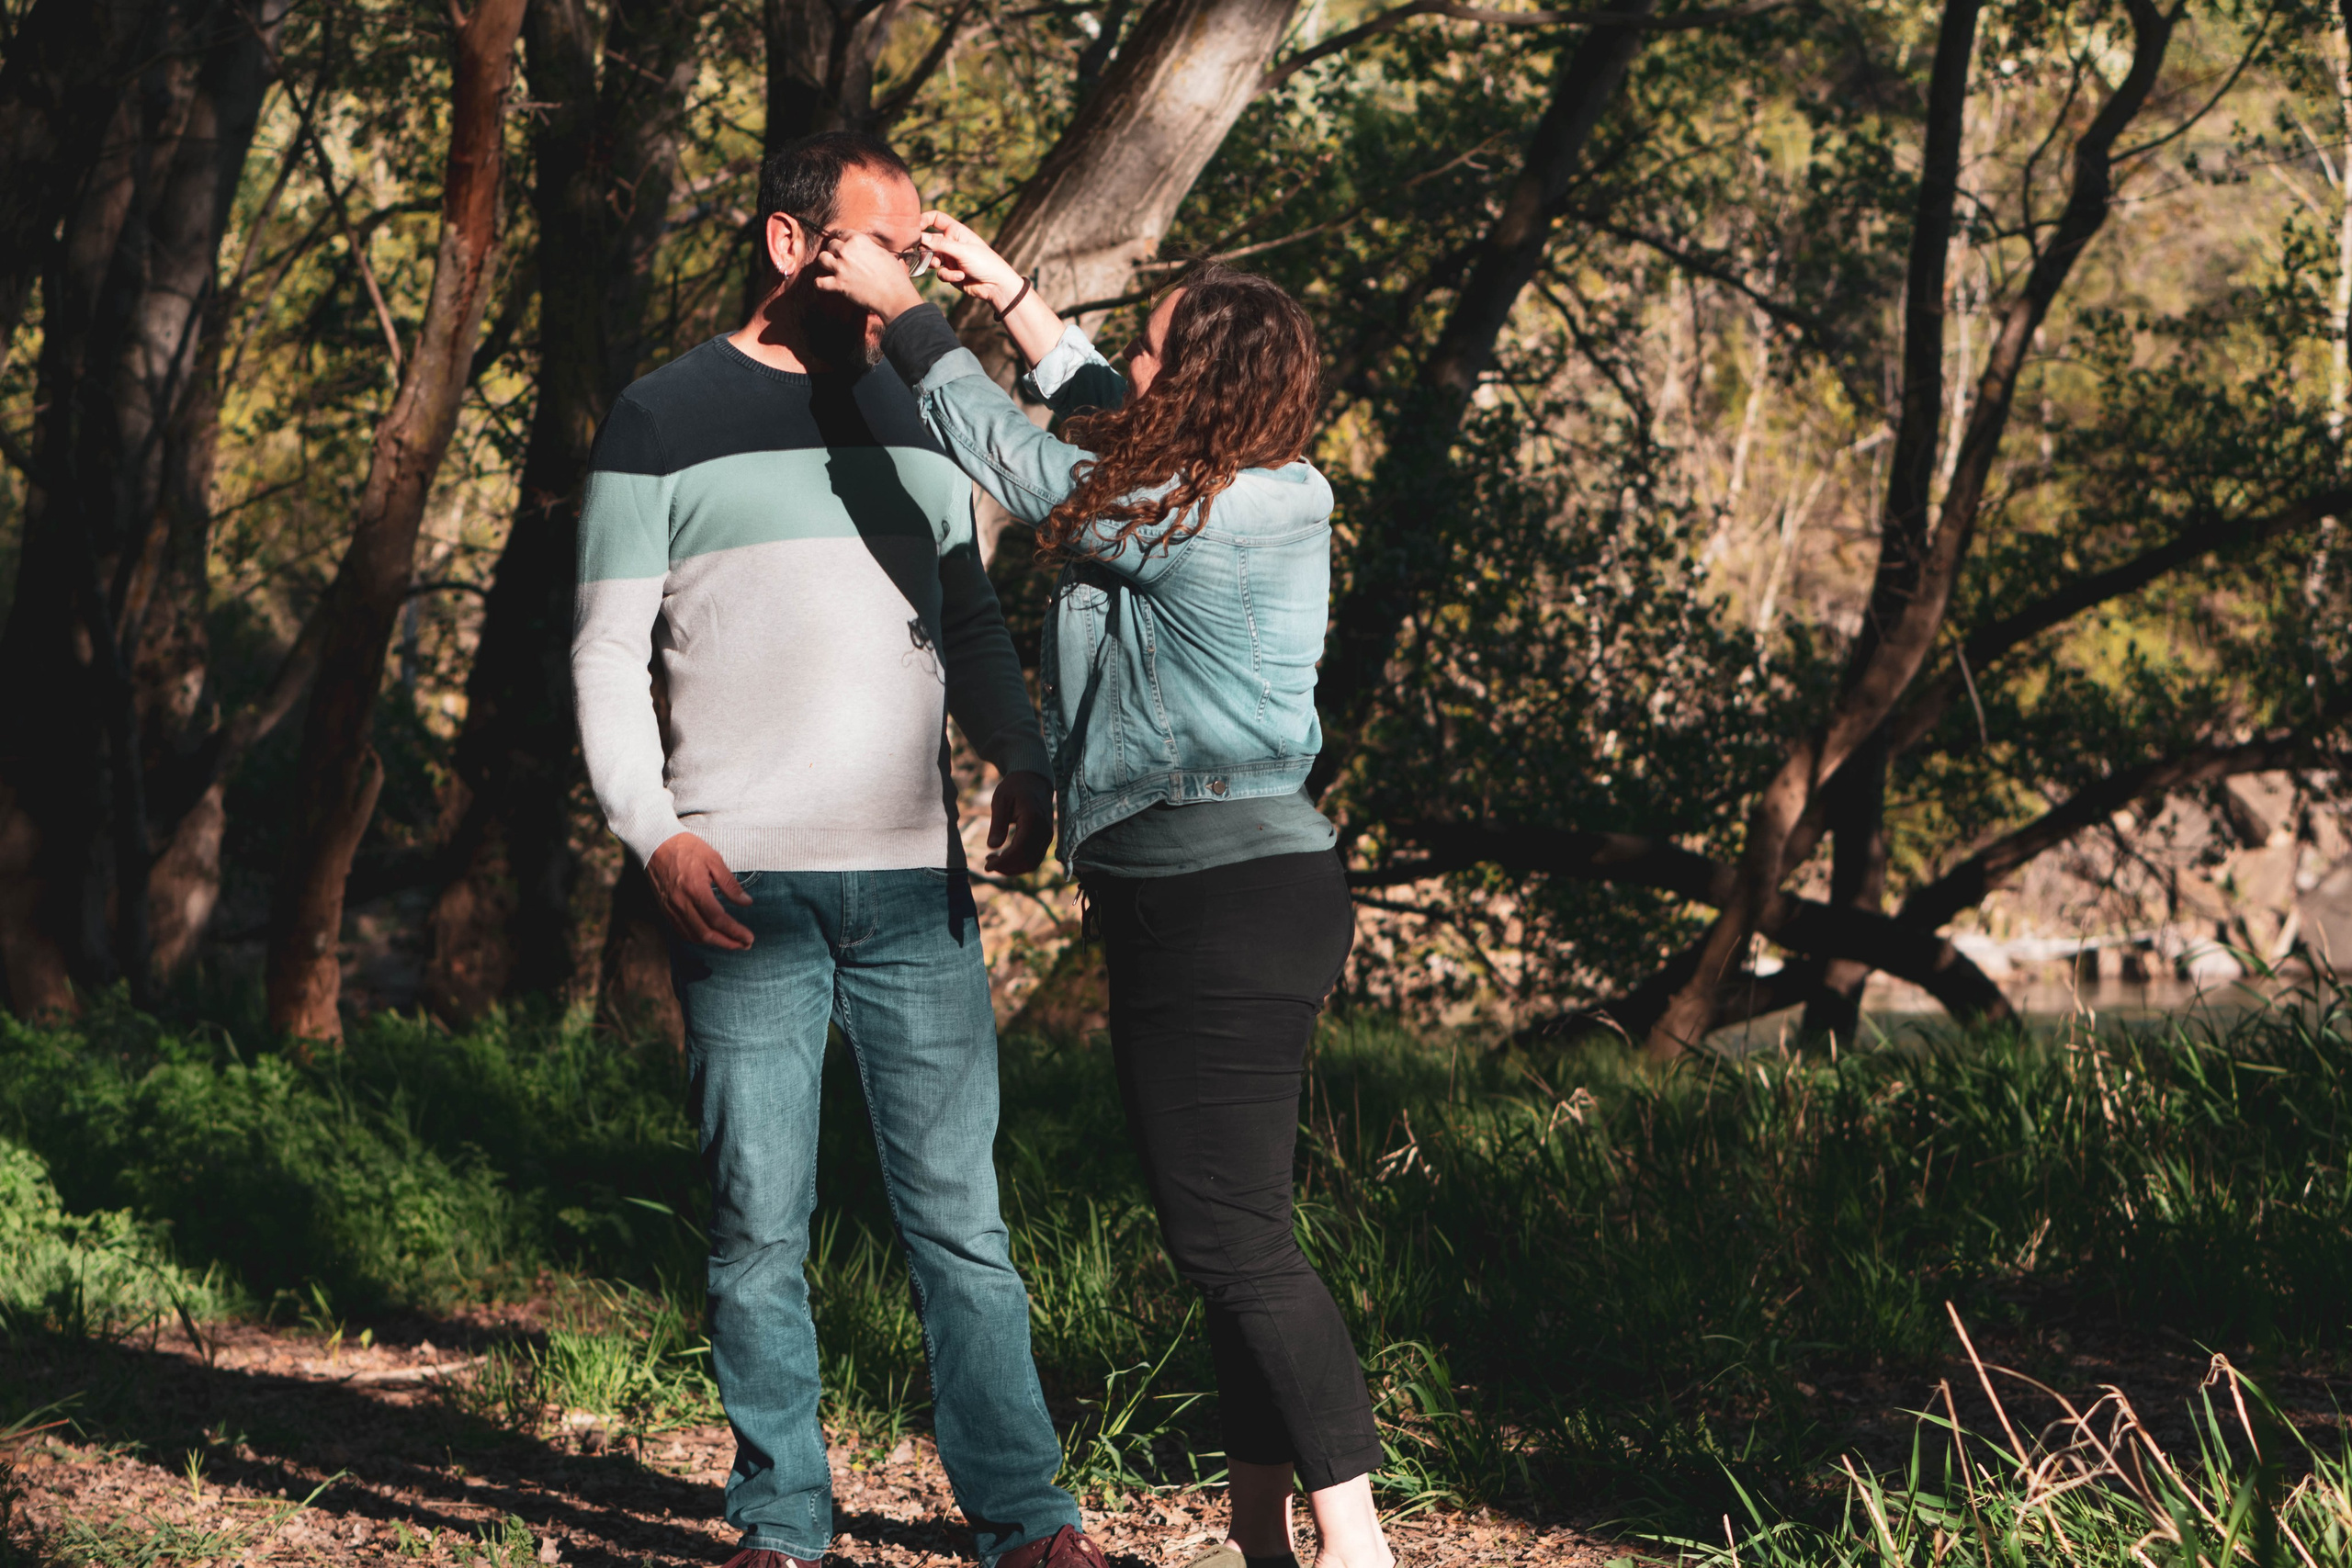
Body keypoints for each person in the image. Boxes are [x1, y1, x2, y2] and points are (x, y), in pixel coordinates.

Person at [814, 219, 1398, 1568]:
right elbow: (1099, 412)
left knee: (1237, 1239)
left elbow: (1028, 465)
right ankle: (1261, 1535)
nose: (1124, 365)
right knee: (1226, 1235)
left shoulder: (1234, 508)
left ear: (1196, 386)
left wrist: (910, 318)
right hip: (1187, 896)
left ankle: (1358, 1548)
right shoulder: (1211, 479)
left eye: (1146, 350)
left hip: (1227, 902)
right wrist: (1011, 299)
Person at [571, 131, 1113, 1568]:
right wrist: (654, 837)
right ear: (788, 244)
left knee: (964, 1229)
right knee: (759, 1225)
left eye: (914, 246)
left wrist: (1021, 752)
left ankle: (1025, 1519)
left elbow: (975, 616)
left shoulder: (923, 409)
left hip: (913, 893)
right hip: (737, 884)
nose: (898, 271)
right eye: (876, 244)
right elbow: (605, 653)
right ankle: (782, 1524)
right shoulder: (661, 413)